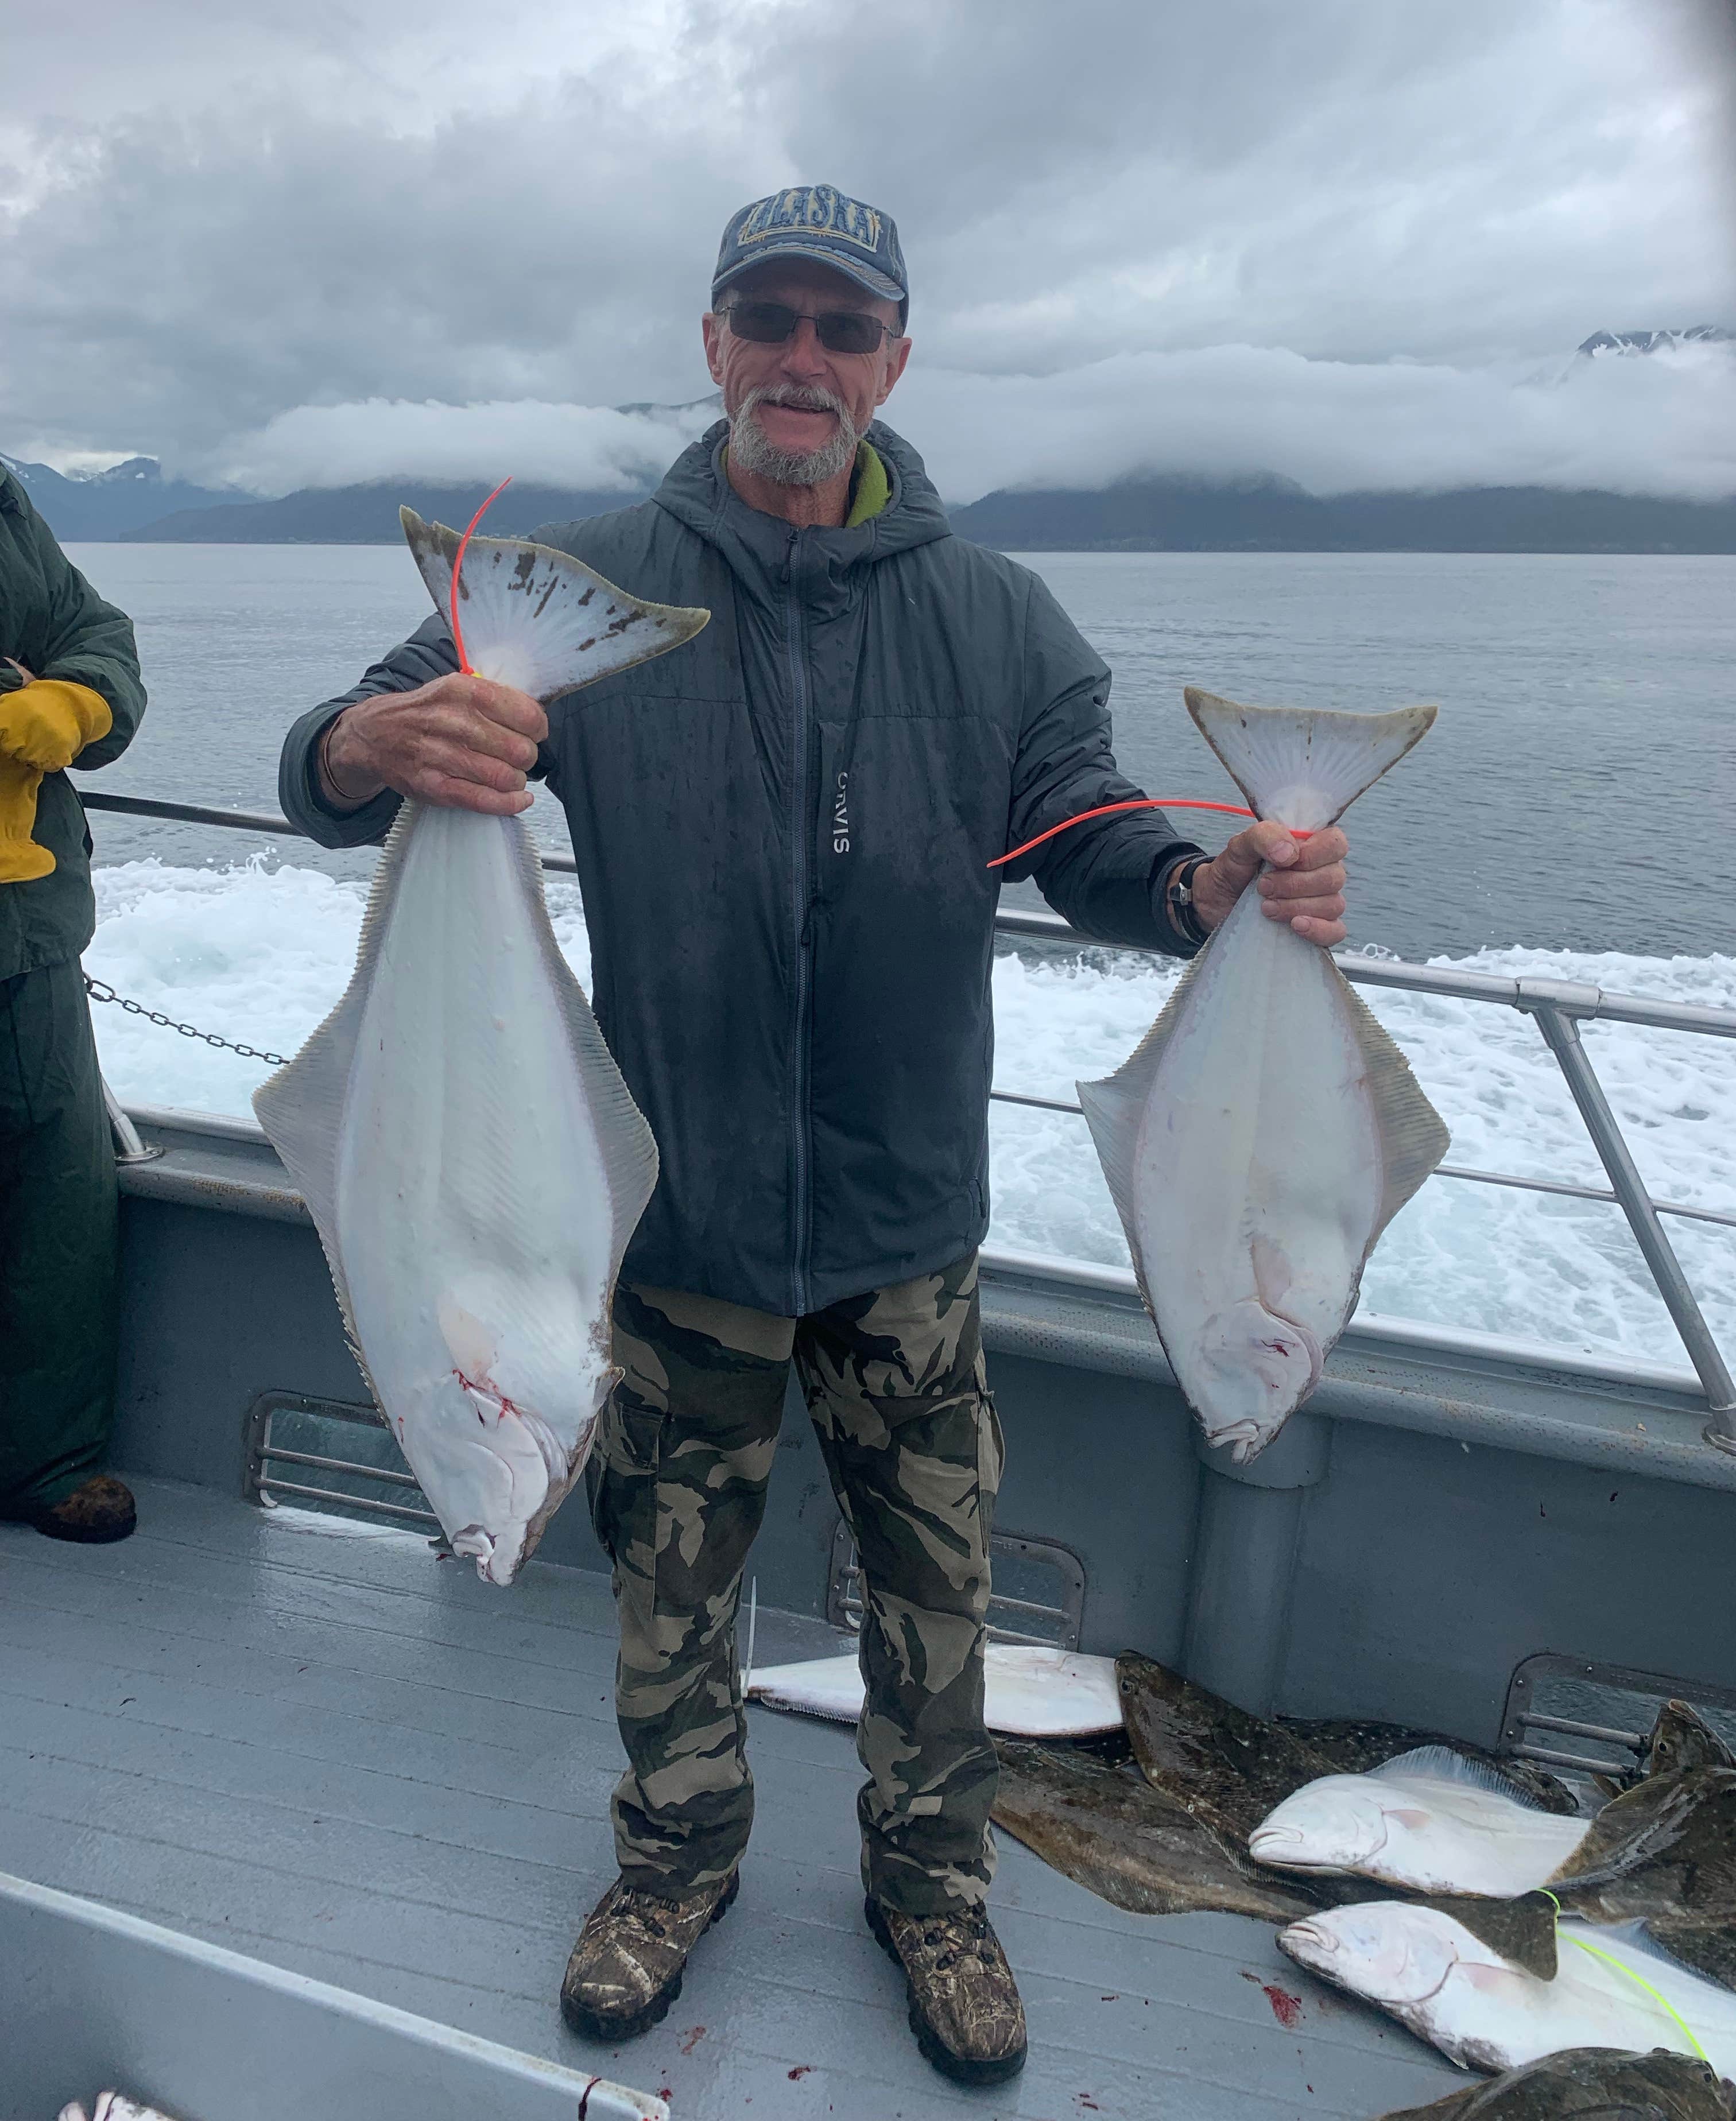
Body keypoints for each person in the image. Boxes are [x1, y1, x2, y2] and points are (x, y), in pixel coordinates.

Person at [277, 183, 1350, 2086]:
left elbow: (1084, 829)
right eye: (765, 320)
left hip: (900, 1225)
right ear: (709, 343)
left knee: (930, 1593)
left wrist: (1205, 885)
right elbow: (341, 756)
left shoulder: (995, 616)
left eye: (840, 331)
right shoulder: (583, 590)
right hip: (670, 1216)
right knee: (668, 1586)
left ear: (893, 364)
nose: (801, 360)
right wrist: (386, 748)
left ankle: (929, 1889)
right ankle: (671, 1865)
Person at [0, 464, 146, 1546]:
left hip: (28, 935)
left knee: (59, 1196)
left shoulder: (3, 506)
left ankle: (49, 1463)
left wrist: (72, 702)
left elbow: (102, 637)